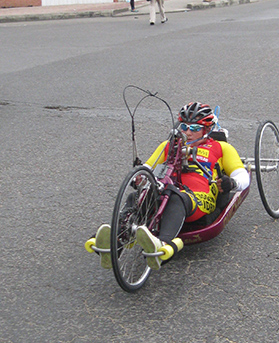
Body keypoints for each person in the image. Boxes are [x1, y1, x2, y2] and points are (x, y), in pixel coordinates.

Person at [87, 102, 250, 271]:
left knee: (174, 197)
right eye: (184, 127)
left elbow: (243, 177)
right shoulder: (168, 146)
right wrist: (140, 179)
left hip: (199, 197)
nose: (188, 132)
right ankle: (117, 240)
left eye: (194, 128)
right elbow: (147, 170)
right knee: (135, 197)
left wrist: (231, 183)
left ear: (206, 130)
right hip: (166, 189)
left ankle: (162, 244)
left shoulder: (221, 148)